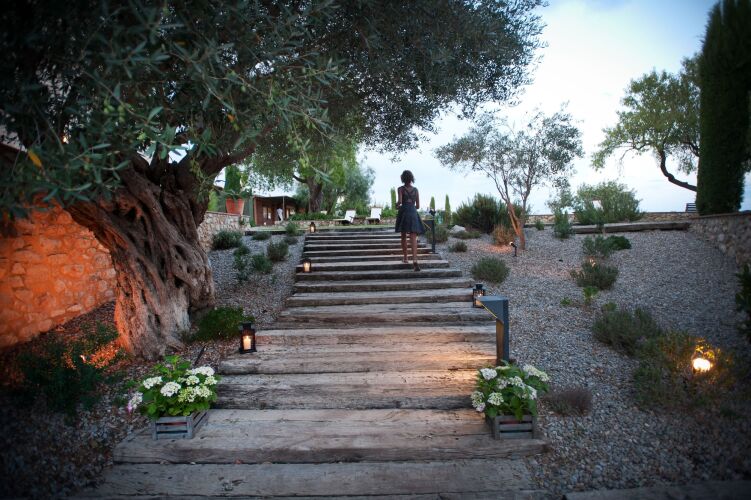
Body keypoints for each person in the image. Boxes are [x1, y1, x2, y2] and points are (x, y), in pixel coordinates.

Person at [394, 170, 424, 271]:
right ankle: (415, 260)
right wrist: (411, 205)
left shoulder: (400, 189)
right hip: (413, 212)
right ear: (411, 178)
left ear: (403, 178)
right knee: (413, 237)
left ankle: (406, 258)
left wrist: (396, 205)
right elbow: (418, 206)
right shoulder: (416, 190)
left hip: (404, 212)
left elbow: (400, 202)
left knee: (403, 235)